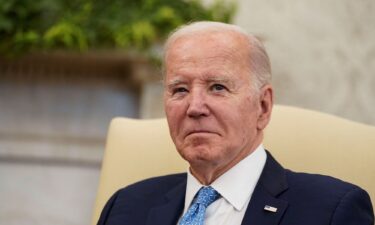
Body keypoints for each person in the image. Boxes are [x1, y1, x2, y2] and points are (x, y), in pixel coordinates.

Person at [97, 21, 374, 225]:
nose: (194, 107)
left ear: (263, 107)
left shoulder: (333, 211)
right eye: (180, 90)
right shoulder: (125, 207)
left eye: (217, 87)